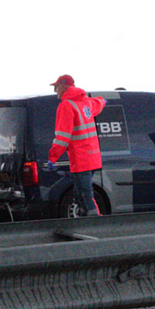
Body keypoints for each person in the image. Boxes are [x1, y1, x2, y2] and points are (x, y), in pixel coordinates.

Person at [46, 75, 106, 217]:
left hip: (81, 157)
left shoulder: (66, 105)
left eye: (56, 87)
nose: (55, 90)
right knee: (80, 192)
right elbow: (98, 103)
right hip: (93, 156)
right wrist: (104, 101)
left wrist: (52, 158)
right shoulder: (85, 102)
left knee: (85, 194)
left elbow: (62, 137)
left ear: (64, 86)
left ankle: (95, 221)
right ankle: (85, 218)